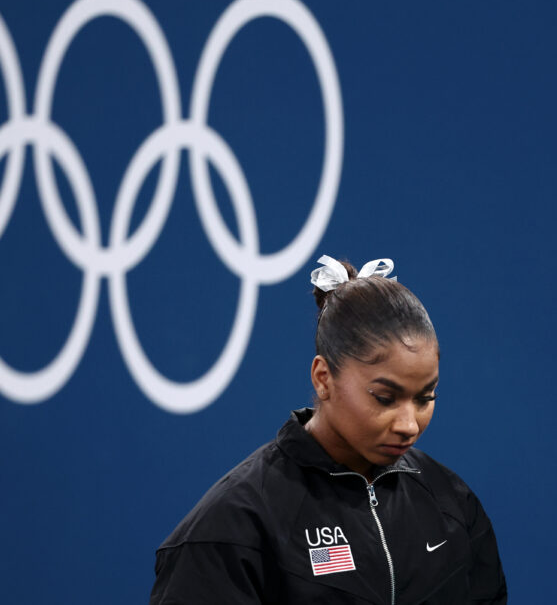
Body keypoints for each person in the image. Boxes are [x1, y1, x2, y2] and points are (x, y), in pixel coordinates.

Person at [149, 255, 508, 604]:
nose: (408, 425)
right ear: (324, 378)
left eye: (425, 398)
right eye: (384, 398)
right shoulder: (230, 528)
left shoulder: (453, 505)